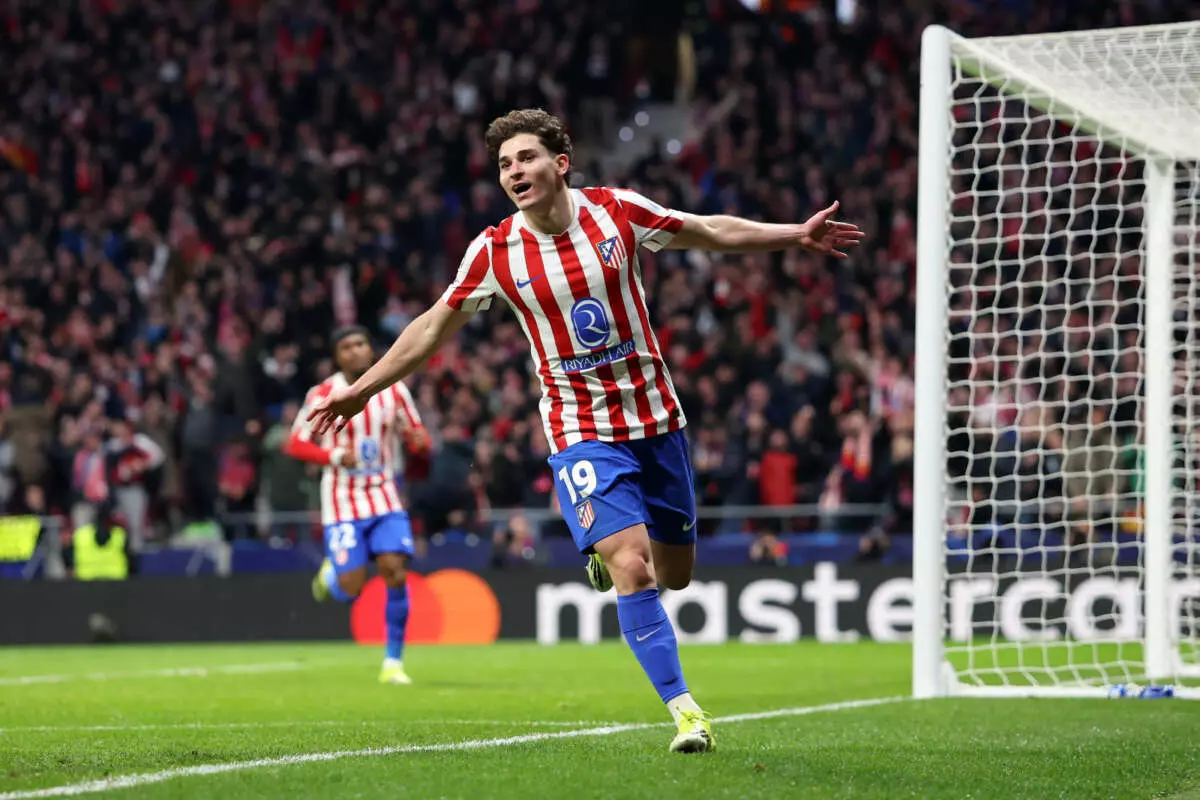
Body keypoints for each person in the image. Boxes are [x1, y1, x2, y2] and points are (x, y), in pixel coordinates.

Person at [308, 109, 863, 749]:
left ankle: (604, 552)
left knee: (674, 572)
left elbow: (708, 229)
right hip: (579, 426)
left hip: (656, 418)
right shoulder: (494, 250)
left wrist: (793, 234)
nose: (514, 171)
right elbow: (433, 325)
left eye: (526, 158)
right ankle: (685, 710)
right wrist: (361, 389)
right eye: (505, 165)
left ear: (561, 162)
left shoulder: (616, 211)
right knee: (634, 567)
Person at [286, 325, 430, 685]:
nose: (355, 351)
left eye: (360, 343)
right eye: (346, 346)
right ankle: (330, 574)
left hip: (384, 494)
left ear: (370, 349)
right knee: (350, 586)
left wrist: (419, 443)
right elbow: (296, 443)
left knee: (395, 571)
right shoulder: (322, 393)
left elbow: (419, 440)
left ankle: (393, 663)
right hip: (343, 500)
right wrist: (334, 456)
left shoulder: (394, 390)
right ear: (337, 357)